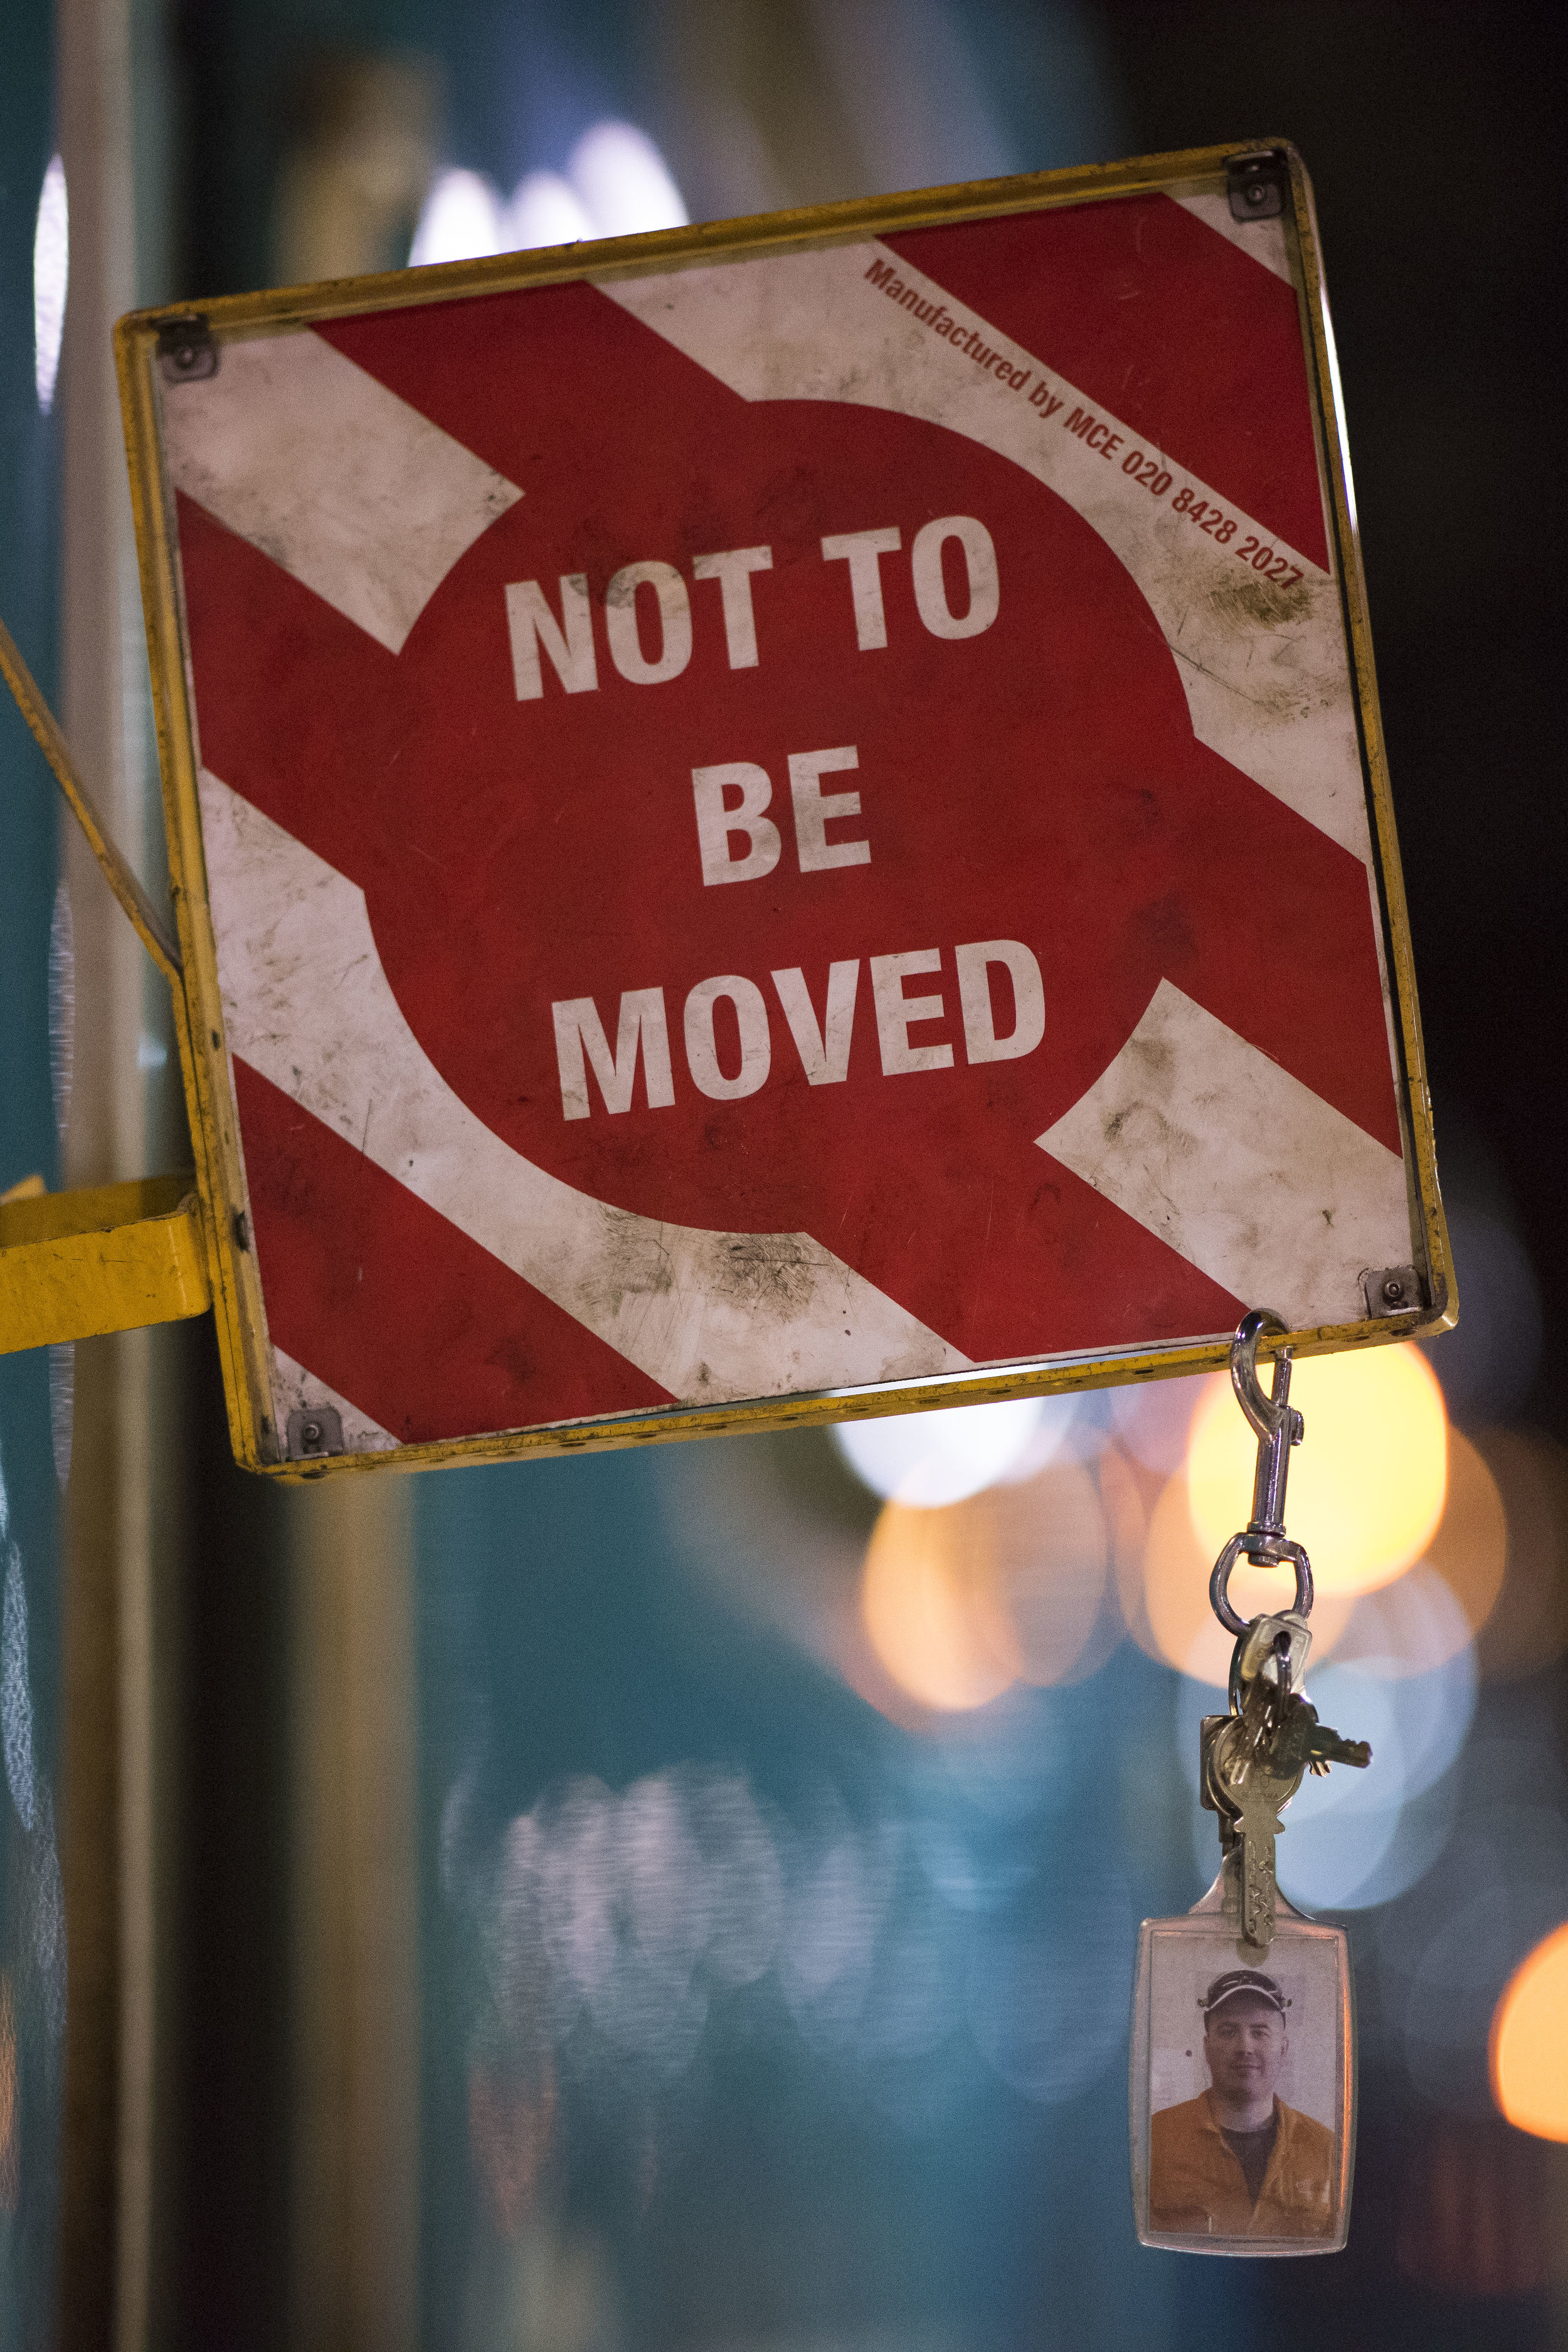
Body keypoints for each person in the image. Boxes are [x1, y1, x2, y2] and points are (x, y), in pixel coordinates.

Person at [1147, 1968, 1336, 2239]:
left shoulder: (1325, 2149)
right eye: (1227, 2032)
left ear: (1283, 2048)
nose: (1244, 2046)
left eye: (1259, 2033)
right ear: (1207, 2047)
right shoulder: (1158, 2137)